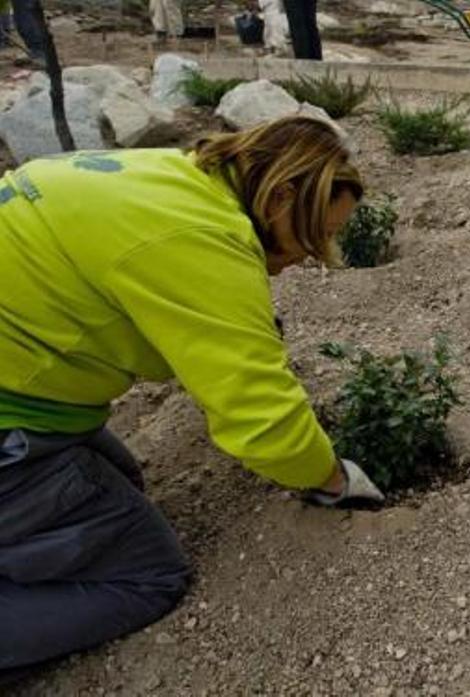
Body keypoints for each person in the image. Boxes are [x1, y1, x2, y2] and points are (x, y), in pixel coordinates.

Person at [0, 116, 385, 672]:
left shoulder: (173, 179)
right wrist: (332, 479)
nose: (312, 252)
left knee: (121, 487)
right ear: (279, 196)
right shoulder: (200, 238)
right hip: (13, 422)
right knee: (149, 574)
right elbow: (262, 421)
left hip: (31, 386)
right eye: (315, 231)